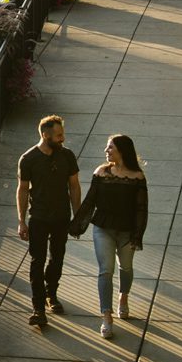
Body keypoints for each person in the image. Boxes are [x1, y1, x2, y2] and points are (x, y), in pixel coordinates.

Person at [73, 134, 150, 338]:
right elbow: (90, 201)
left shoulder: (137, 177)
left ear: (122, 151)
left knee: (126, 267)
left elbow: (141, 209)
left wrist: (137, 235)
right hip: (103, 228)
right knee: (105, 270)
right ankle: (106, 316)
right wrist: (77, 225)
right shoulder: (101, 172)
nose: (106, 151)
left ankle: (123, 297)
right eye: (107, 148)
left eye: (110, 148)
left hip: (127, 230)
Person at [16, 114, 81, 328]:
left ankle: (51, 293)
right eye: (59, 135)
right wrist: (21, 221)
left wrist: (77, 214)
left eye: (62, 134)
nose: (63, 138)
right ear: (46, 135)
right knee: (37, 260)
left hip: (61, 216)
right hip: (39, 218)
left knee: (57, 257)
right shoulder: (28, 159)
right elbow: (23, 190)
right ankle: (38, 309)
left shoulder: (67, 156)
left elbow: (74, 185)